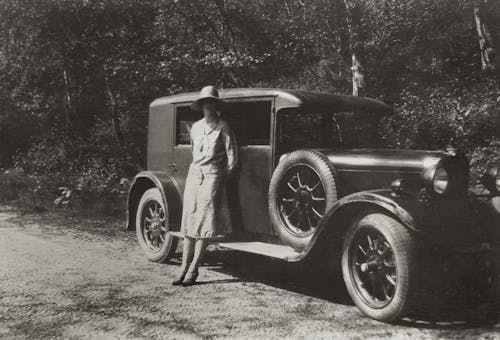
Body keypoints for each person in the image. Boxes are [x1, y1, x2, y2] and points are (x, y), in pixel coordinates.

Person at [172, 85, 238, 286]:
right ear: (201, 106)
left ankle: (193, 269)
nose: (209, 106)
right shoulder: (197, 127)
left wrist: (219, 176)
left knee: (204, 222)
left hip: (213, 175)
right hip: (195, 174)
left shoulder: (223, 126)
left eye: (212, 103)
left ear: (216, 106)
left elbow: (232, 157)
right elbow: (194, 152)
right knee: (189, 219)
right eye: (205, 103)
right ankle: (182, 268)